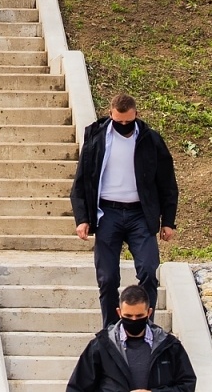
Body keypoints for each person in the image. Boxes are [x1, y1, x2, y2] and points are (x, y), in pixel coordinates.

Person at [71, 94, 180, 329]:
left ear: (136, 115)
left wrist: (168, 221)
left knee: (149, 271)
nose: (123, 126)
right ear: (110, 114)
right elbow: (81, 181)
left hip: (140, 214)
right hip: (107, 213)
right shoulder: (97, 138)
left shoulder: (151, 140)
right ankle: (111, 331)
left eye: (128, 122)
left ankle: (146, 327)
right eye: (118, 122)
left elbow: (168, 183)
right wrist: (82, 218)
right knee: (108, 278)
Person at [65, 286, 197, 392]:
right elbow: (77, 388)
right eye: (128, 315)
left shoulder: (169, 346)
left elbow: (187, 385)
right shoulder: (100, 346)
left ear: (149, 313)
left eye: (139, 316)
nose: (134, 320)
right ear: (119, 313)